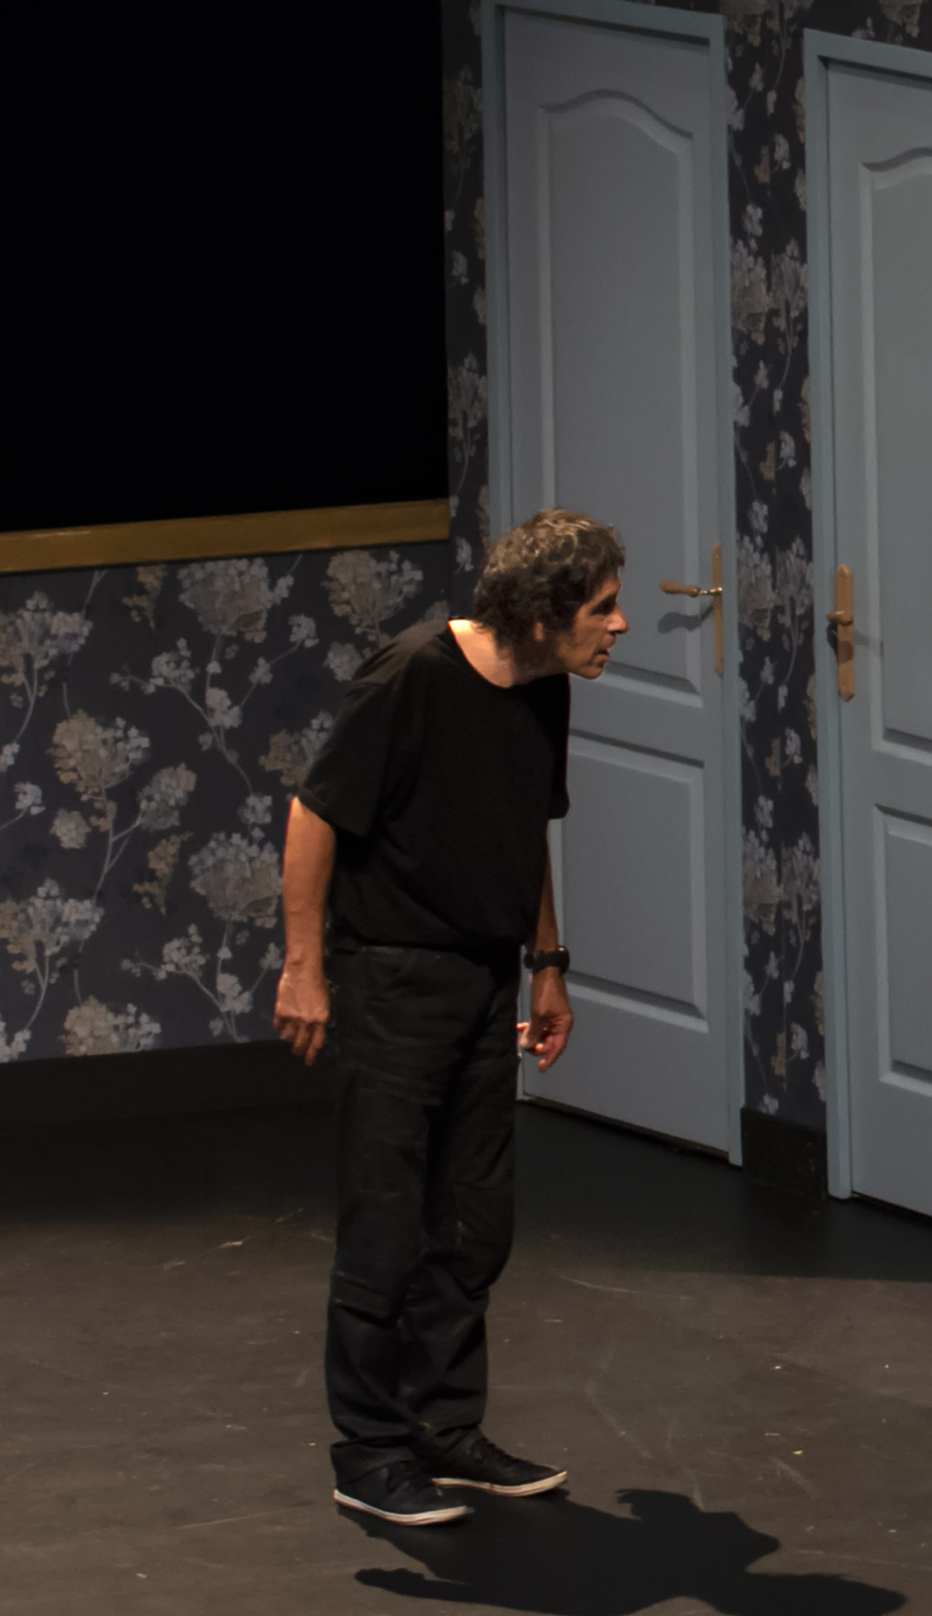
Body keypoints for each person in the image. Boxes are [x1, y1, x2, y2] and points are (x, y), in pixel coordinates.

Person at [274, 508, 626, 1526]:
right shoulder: (411, 673)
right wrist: (303, 965)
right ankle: (369, 1448)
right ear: (545, 610)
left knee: (473, 1219)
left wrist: (548, 964)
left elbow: (526, 828)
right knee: (385, 1219)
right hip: (392, 977)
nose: (618, 625)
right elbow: (314, 813)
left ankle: (443, 1425)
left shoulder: (547, 686)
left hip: (485, 978)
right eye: (602, 608)